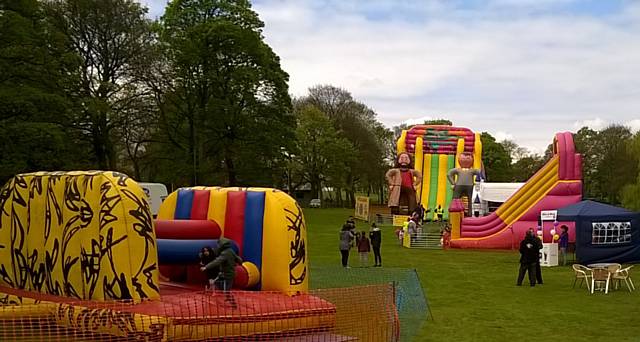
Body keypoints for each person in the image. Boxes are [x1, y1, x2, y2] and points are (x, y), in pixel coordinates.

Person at [200, 238, 242, 308]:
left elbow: (217, 261)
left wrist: (206, 267)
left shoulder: (225, 253)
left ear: (222, 245)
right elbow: (238, 259)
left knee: (226, 291)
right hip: (223, 273)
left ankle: (233, 304)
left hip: (228, 274)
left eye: (218, 245)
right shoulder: (230, 251)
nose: (218, 246)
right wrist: (239, 262)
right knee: (215, 282)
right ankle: (227, 296)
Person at [447, 152, 483, 216]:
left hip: (467, 186)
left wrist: (479, 182)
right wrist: (453, 183)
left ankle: (469, 213)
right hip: (462, 186)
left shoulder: (472, 170)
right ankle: (455, 213)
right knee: (456, 199)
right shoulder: (458, 170)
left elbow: (480, 173)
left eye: (468, 158)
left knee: (470, 199)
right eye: (463, 157)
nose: (465, 159)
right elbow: (449, 174)